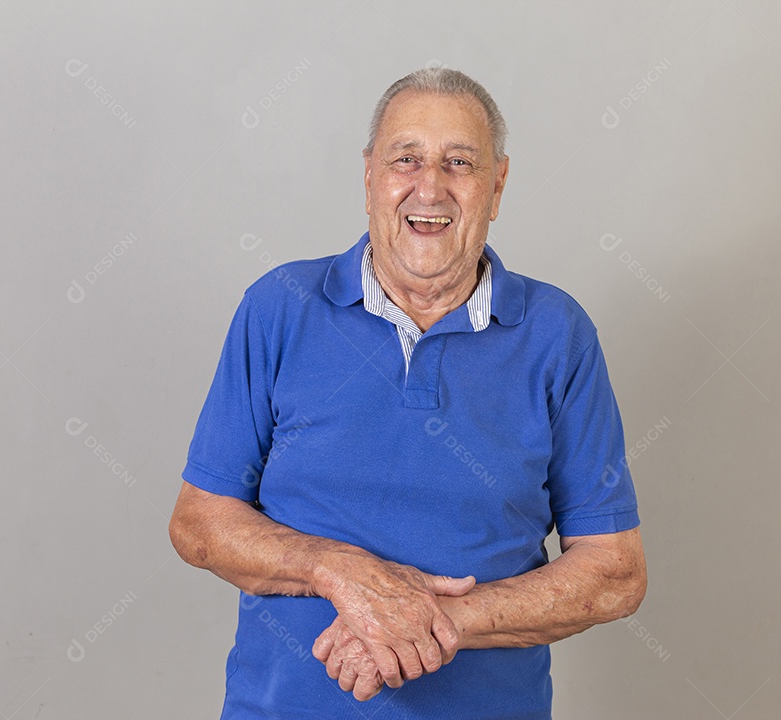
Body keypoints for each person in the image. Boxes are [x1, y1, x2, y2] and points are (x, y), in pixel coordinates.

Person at [169, 67, 646, 719]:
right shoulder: (279, 307)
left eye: (459, 163)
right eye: (406, 159)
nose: (430, 187)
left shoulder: (557, 334)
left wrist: (434, 619)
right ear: (370, 175)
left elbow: (615, 572)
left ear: (497, 185)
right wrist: (338, 570)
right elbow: (199, 524)